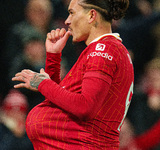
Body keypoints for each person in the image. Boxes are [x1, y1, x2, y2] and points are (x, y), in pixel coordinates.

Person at [12, 0, 134, 149]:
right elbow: (58, 103)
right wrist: (53, 58)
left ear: (91, 15)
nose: (67, 21)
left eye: (72, 13)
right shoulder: (105, 49)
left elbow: (85, 107)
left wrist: (43, 84)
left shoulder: (103, 50)